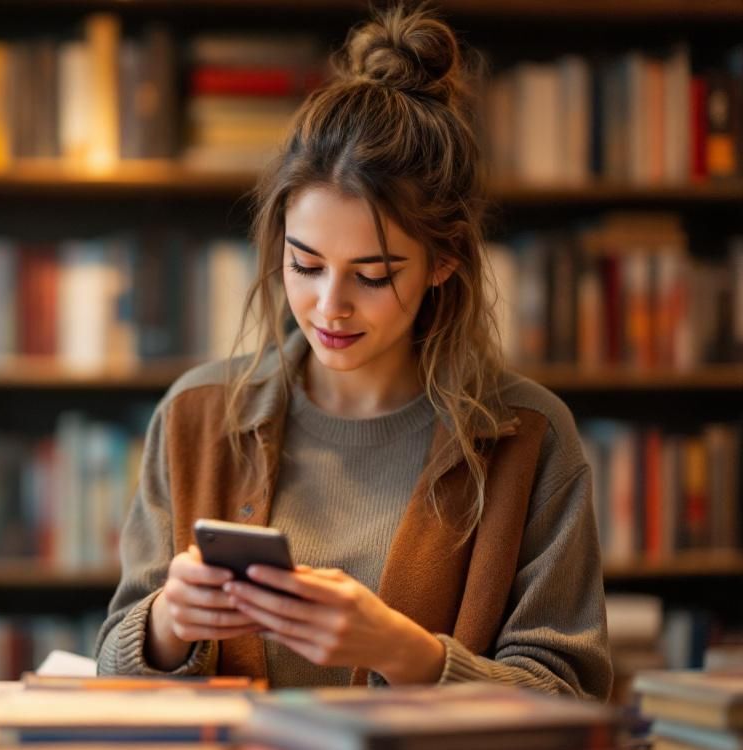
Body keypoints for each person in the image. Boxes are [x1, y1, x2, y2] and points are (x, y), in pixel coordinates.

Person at [94, 5, 612, 699]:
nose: (329, 306)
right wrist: (166, 622)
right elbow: (113, 665)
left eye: (372, 275)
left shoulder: (526, 438)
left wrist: (407, 653)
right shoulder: (197, 417)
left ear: (443, 262)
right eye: (304, 265)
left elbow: (571, 700)